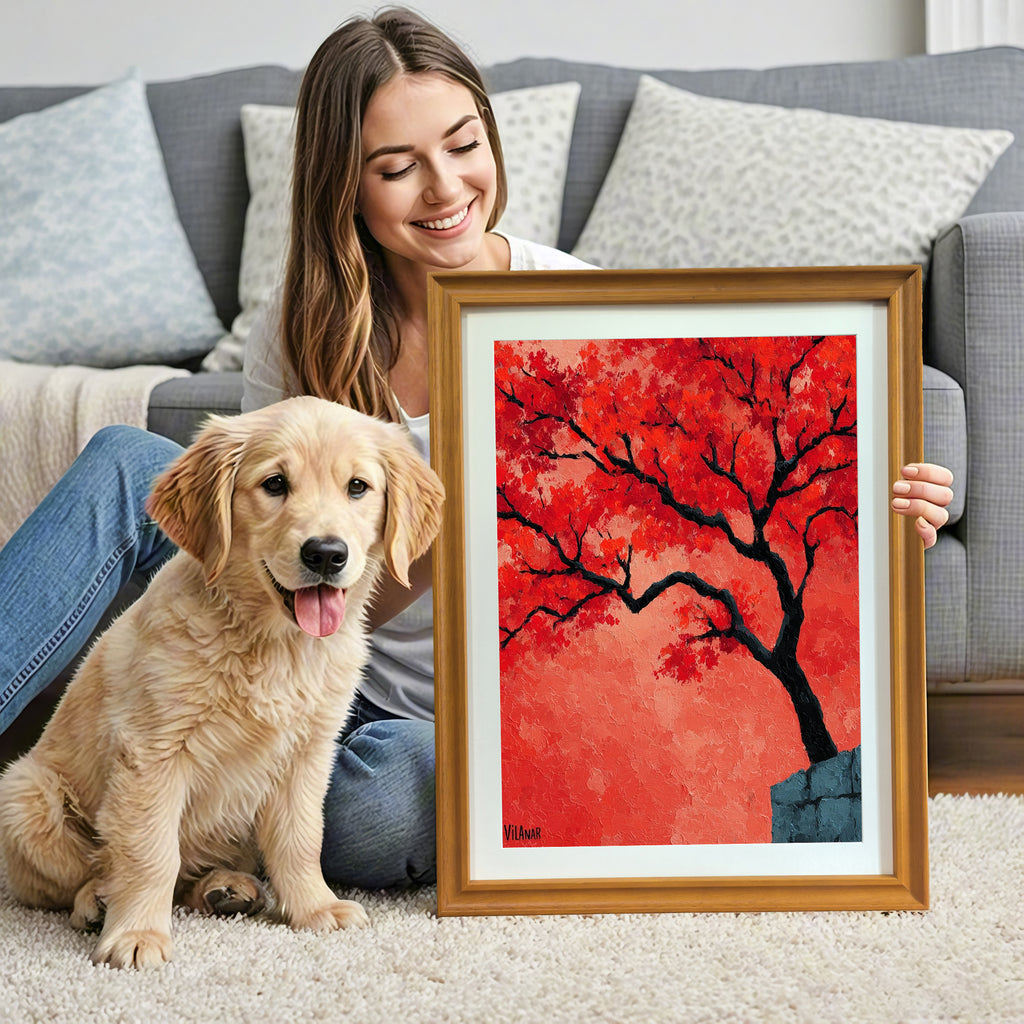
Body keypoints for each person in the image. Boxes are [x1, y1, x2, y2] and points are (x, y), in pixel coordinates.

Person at [0, 8, 955, 889]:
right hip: (296, 658)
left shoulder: (576, 313)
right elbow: (272, 546)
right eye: (397, 165)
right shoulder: (304, 323)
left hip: (422, 721)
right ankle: (151, 820)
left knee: (377, 815)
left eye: (464, 145)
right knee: (128, 460)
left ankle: (226, 844)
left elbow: (707, 517)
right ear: (346, 183)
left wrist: (864, 517)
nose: (447, 187)